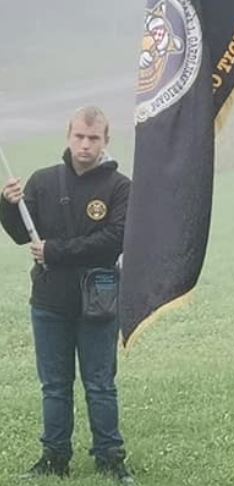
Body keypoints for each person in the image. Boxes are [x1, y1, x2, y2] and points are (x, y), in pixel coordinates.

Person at [0, 106, 134, 482]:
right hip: (49, 302)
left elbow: (114, 240)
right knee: (55, 386)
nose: (85, 145)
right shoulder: (43, 181)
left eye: (93, 138)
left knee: (100, 385)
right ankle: (54, 457)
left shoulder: (121, 187)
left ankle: (110, 457)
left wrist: (56, 251)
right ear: (68, 136)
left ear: (105, 141)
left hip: (99, 300)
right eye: (79, 136)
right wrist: (8, 205)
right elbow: (21, 234)